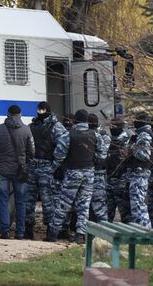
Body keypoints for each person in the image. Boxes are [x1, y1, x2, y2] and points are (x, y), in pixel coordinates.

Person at [47, 109, 107, 243]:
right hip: (89, 173)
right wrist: (94, 161)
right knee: (84, 205)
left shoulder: (68, 135)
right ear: (86, 121)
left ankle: (53, 233)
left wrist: (55, 167)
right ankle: (80, 235)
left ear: (75, 121)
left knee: (63, 204)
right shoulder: (96, 135)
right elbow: (102, 155)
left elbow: (59, 155)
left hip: (72, 172)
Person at [0, 105, 34, 239]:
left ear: (7, 114)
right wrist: (26, 165)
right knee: (21, 202)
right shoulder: (26, 130)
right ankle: (20, 233)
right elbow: (31, 151)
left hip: (2, 170)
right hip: (20, 172)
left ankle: (5, 231)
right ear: (20, 115)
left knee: (3, 201)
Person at [24, 102, 68, 240]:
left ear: (48, 110)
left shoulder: (56, 127)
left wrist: (54, 165)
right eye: (39, 109)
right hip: (32, 166)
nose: (41, 112)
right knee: (28, 200)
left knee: (48, 201)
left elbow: (63, 146)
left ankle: (50, 230)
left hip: (46, 167)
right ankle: (27, 230)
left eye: (43, 109)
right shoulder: (31, 126)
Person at [127, 112, 153, 228]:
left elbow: (144, 155)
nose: (134, 123)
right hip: (140, 173)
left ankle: (144, 230)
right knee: (137, 205)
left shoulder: (144, 135)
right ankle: (141, 229)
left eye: (136, 120)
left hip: (140, 173)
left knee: (138, 205)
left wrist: (133, 148)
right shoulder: (144, 133)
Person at [106, 118, 132, 222]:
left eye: (113, 127)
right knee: (108, 212)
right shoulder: (110, 139)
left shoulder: (126, 140)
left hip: (122, 181)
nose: (111, 129)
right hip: (110, 180)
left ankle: (128, 236)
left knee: (125, 214)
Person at [88, 114, 111, 222]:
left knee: (99, 203)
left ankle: (103, 229)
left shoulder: (102, 136)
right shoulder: (88, 134)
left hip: (98, 173)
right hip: (90, 173)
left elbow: (103, 156)